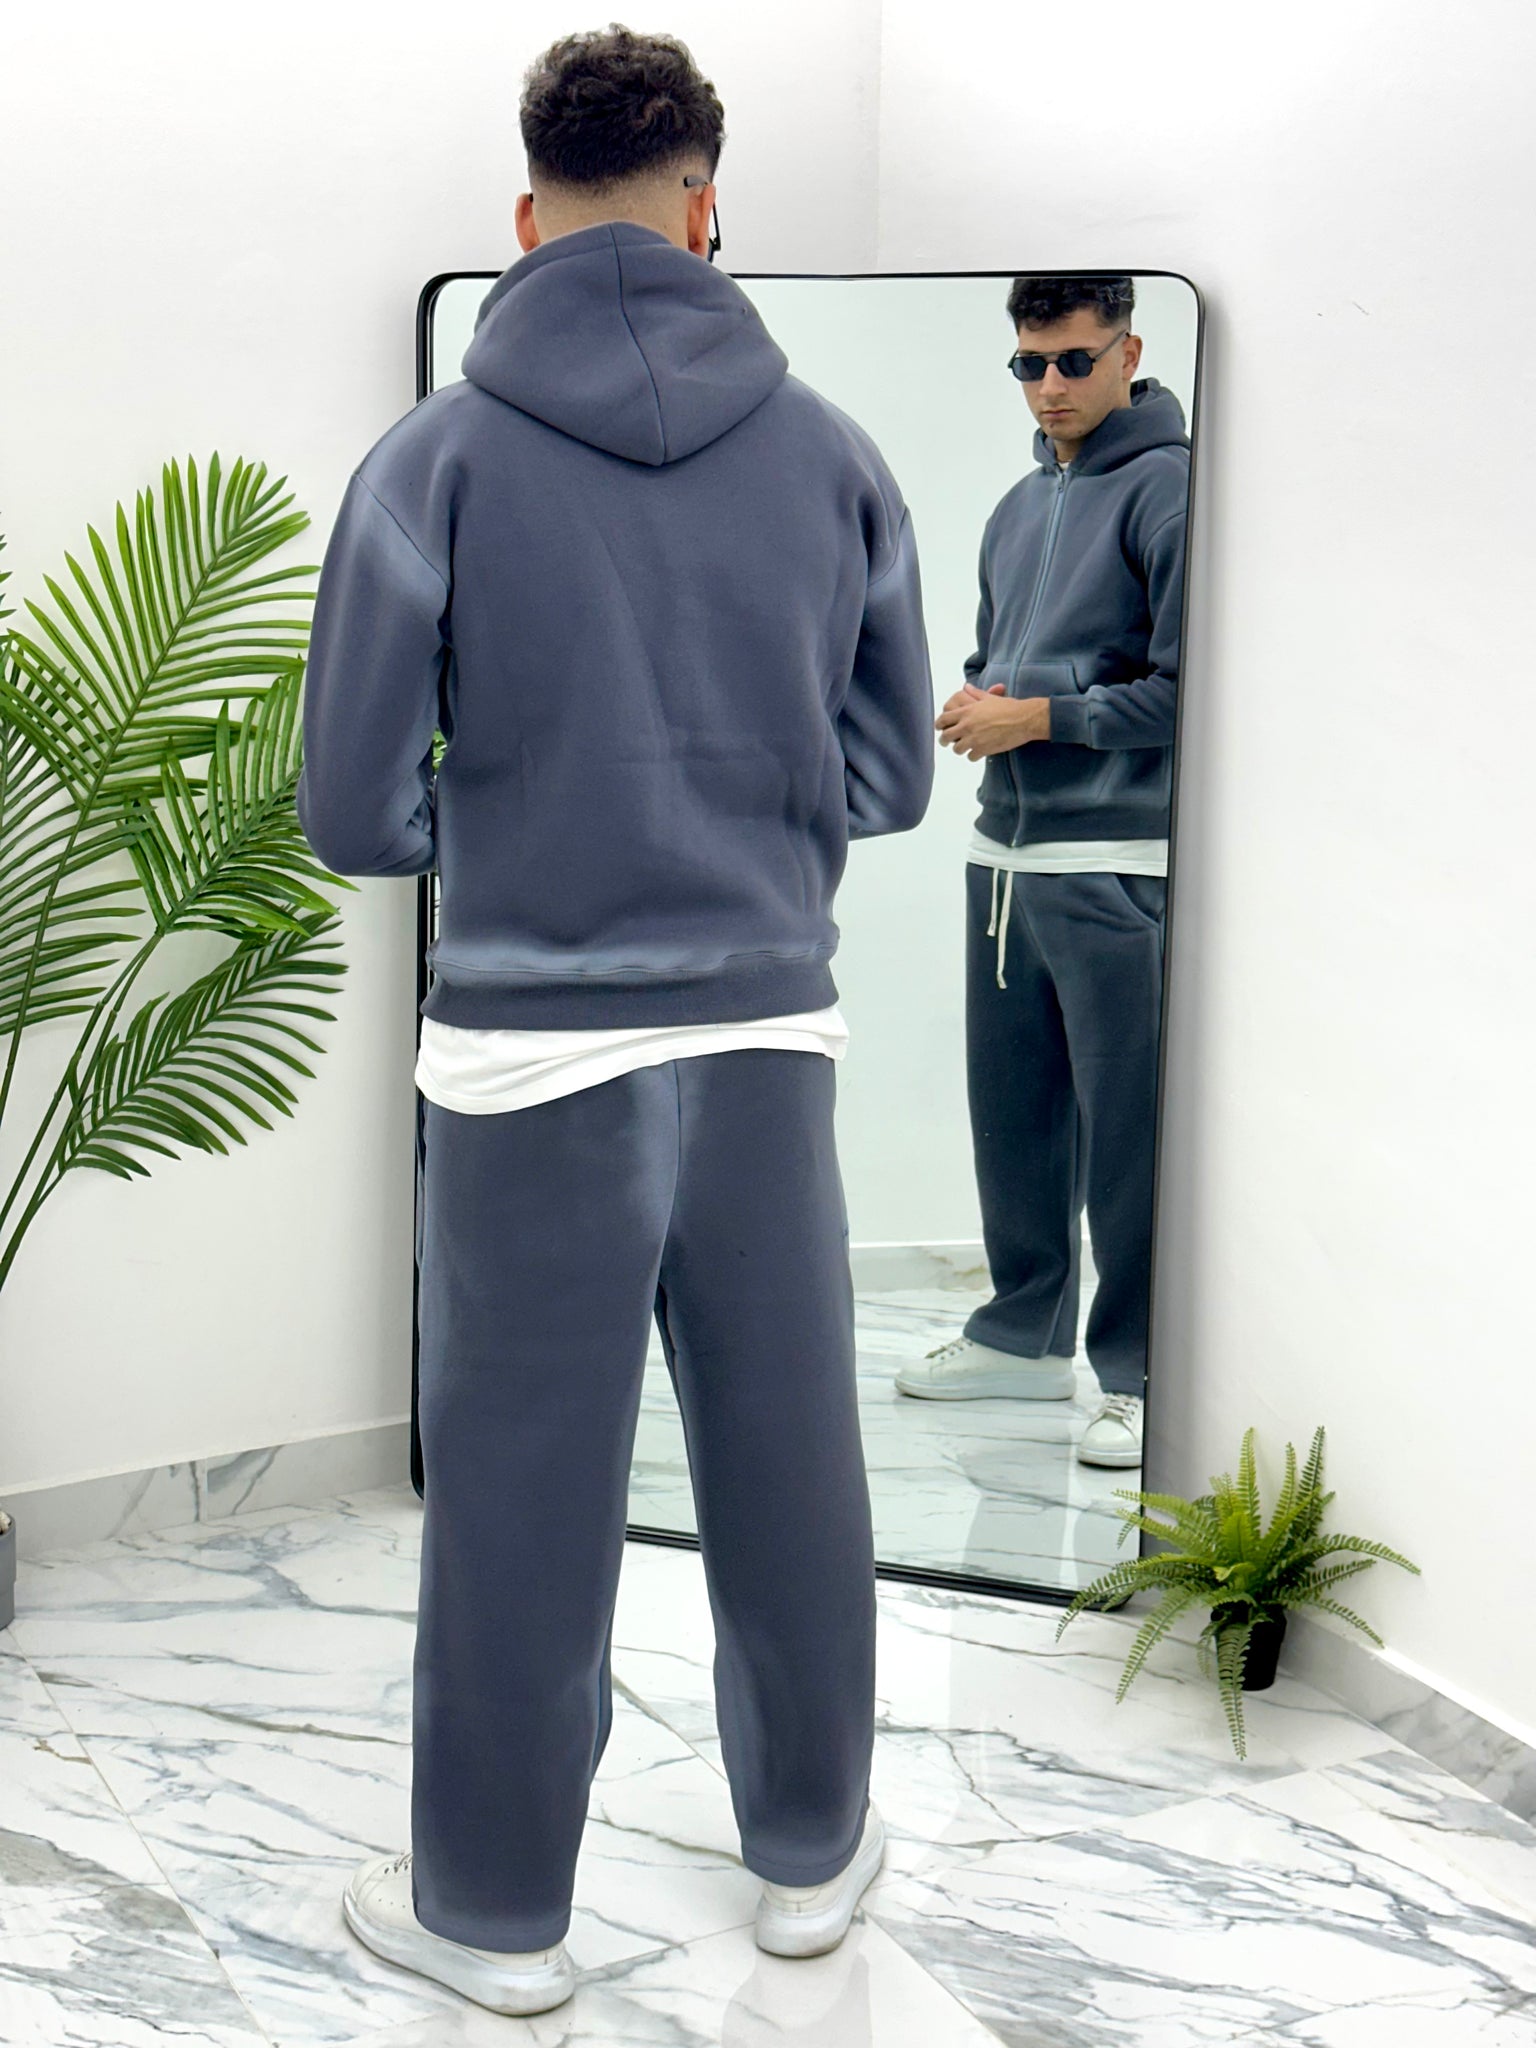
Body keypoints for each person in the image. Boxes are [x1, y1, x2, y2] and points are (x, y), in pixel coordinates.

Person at [293, 24, 933, 2022]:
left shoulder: (435, 459)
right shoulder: (834, 454)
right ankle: (813, 1857)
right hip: (766, 1037)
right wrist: (745, 832)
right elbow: (893, 773)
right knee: (790, 1452)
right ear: (704, 205)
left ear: (525, 215)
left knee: (519, 1485)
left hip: (527, 1056)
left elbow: (352, 810)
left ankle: (493, 1919)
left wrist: (510, 832)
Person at [895, 275, 1189, 1475]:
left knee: (1128, 1141)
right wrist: (983, 703)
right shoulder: (1019, 505)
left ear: (1128, 349)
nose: (1051, 386)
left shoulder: (1172, 489)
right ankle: (1022, 1333)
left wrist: (1039, 716)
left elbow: (1186, 691)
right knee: (1013, 1121)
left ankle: (1139, 1372)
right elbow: (999, 661)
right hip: (1003, 856)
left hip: (1116, 862)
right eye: (1030, 363)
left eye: (1073, 360)